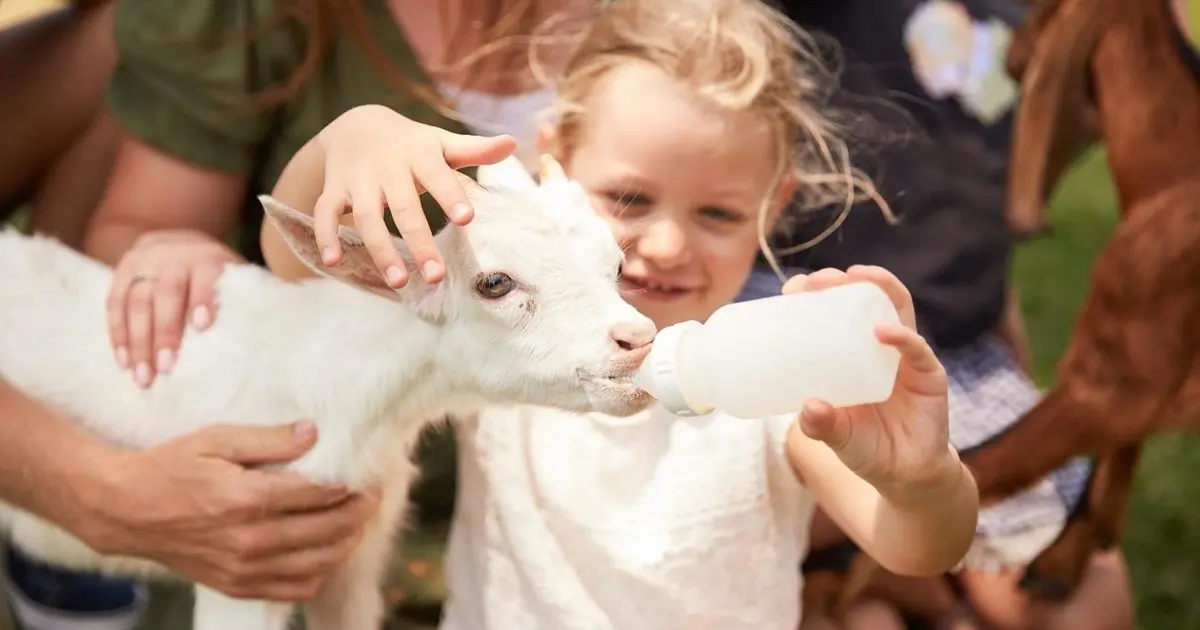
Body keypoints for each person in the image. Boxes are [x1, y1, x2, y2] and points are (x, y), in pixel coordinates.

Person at [248, 0, 979, 627]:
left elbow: (917, 545)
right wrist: (352, 134)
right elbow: (296, 265)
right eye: (629, 200)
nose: (664, 245)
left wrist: (920, 482)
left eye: (718, 213)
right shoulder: (501, 324)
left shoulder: (770, 375)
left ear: (773, 204)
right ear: (555, 161)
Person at [0, 1, 587, 629]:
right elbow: (154, 237)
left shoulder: (653, 33)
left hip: (491, 499)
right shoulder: (259, 21)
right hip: (292, 430)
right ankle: (64, 578)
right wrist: (171, 248)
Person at [750, 0, 1139, 628]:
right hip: (836, 340)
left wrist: (1004, 327)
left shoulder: (1022, 19)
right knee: (1003, 596)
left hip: (962, 348)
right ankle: (877, 574)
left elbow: (983, 198)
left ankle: (897, 578)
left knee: (1090, 591)